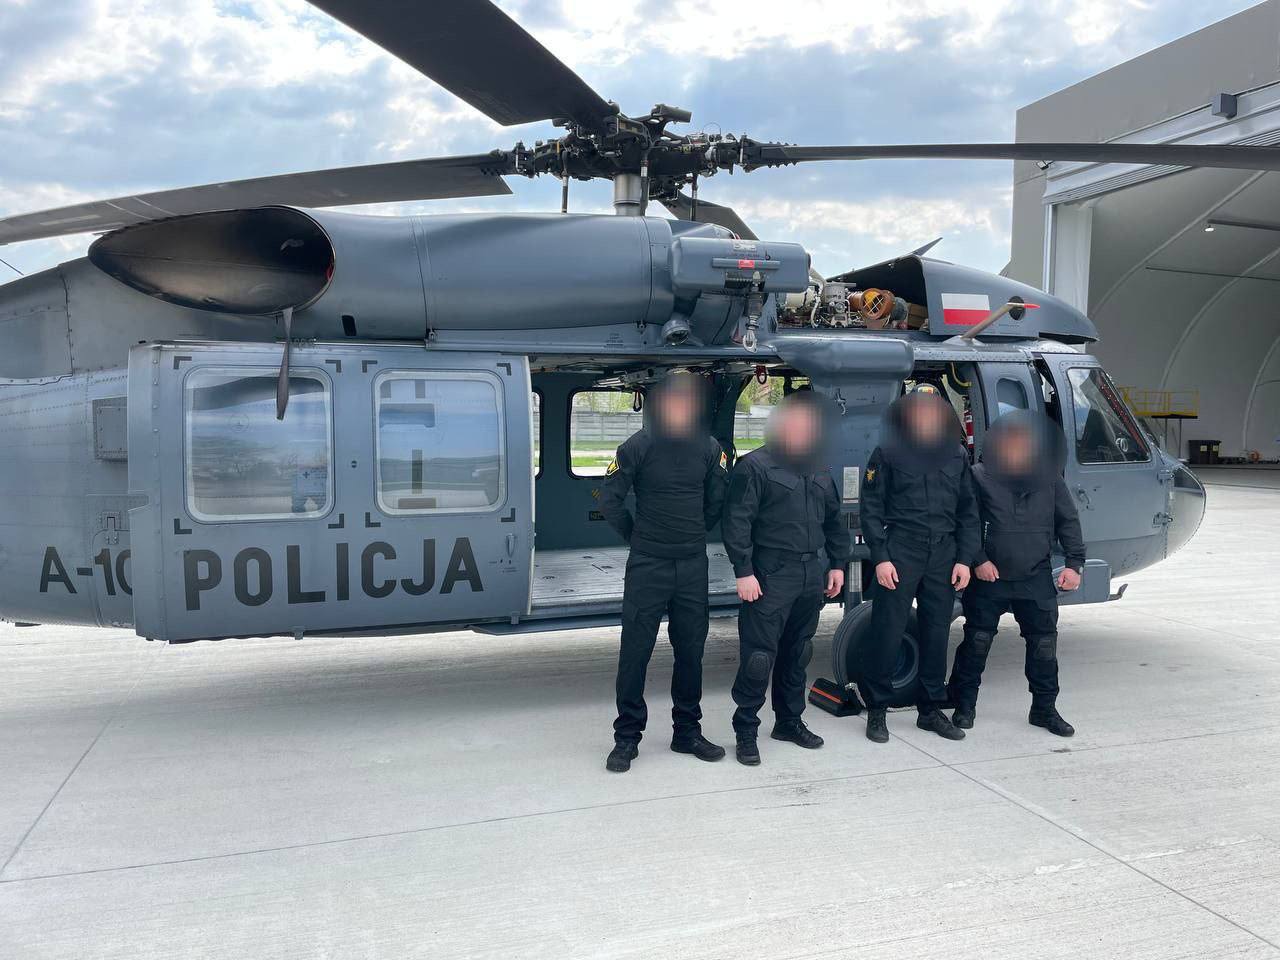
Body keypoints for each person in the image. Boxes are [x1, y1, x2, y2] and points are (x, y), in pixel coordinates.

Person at [598, 372, 728, 773]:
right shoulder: (637, 446)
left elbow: (716, 501)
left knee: (691, 652)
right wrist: (637, 536)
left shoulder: (709, 448)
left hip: (691, 565)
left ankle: (687, 732)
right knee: (635, 653)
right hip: (648, 565)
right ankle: (626, 737)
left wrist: (691, 534)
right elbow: (609, 499)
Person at [721, 391, 850, 766]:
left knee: (798, 653)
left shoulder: (818, 467)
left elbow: (834, 520)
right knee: (759, 657)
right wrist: (743, 571)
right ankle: (746, 729)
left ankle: (789, 722)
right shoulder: (754, 466)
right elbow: (736, 523)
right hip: (770, 574)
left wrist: (838, 564)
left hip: (811, 575)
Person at [946, 411, 1085, 737]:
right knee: (977, 641)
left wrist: (1074, 563)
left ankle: (1044, 709)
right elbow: (965, 521)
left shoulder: (1049, 477)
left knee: (1044, 646)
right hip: (989, 577)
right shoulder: (978, 476)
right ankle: (964, 704)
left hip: (1035, 576)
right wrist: (978, 560)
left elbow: (1068, 520)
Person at [858, 386, 980, 743]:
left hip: (944, 554)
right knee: (888, 630)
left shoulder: (956, 454)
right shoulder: (888, 452)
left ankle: (930, 711)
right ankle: (877, 710)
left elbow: (968, 511)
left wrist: (964, 559)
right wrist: (881, 558)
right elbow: (871, 508)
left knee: (936, 632)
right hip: (901, 551)